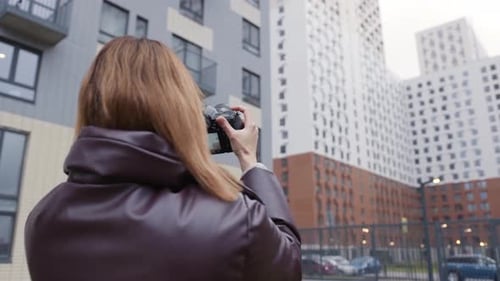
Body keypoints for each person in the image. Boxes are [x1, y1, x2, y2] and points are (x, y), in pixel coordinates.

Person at [24, 36, 301, 281]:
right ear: (179, 110)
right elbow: (289, 265)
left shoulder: (43, 218)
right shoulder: (233, 218)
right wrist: (250, 161)